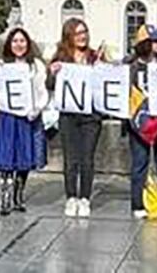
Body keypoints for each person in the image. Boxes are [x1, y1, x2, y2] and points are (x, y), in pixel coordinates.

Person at [0, 26, 48, 216]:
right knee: (6, 155)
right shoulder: (2, 65)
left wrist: (37, 108)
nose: (19, 45)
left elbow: (41, 89)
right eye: (15, 41)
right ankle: (5, 196)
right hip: (7, 116)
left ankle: (18, 195)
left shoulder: (36, 65)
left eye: (22, 41)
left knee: (24, 156)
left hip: (27, 116)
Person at [48, 16, 103, 217]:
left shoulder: (95, 57)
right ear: (69, 35)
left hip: (91, 115)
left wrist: (103, 69)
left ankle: (85, 198)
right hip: (68, 115)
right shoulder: (61, 57)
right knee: (71, 159)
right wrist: (52, 73)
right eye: (78, 33)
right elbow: (49, 85)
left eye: (85, 32)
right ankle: (71, 197)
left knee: (87, 158)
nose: (83, 37)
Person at [124, 24, 157, 219]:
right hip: (139, 121)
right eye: (156, 40)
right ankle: (138, 204)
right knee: (139, 163)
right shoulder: (129, 65)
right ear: (145, 44)